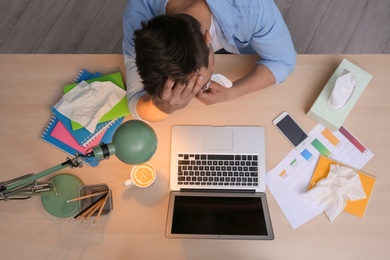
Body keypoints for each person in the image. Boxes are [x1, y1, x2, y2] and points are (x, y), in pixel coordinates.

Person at [123, 0, 296, 122]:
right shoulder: (139, 21)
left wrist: (233, 92)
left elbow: (283, 61)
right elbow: (134, 101)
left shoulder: (251, 7)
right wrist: (164, 105)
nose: (198, 90)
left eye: (201, 83)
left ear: (208, 39)